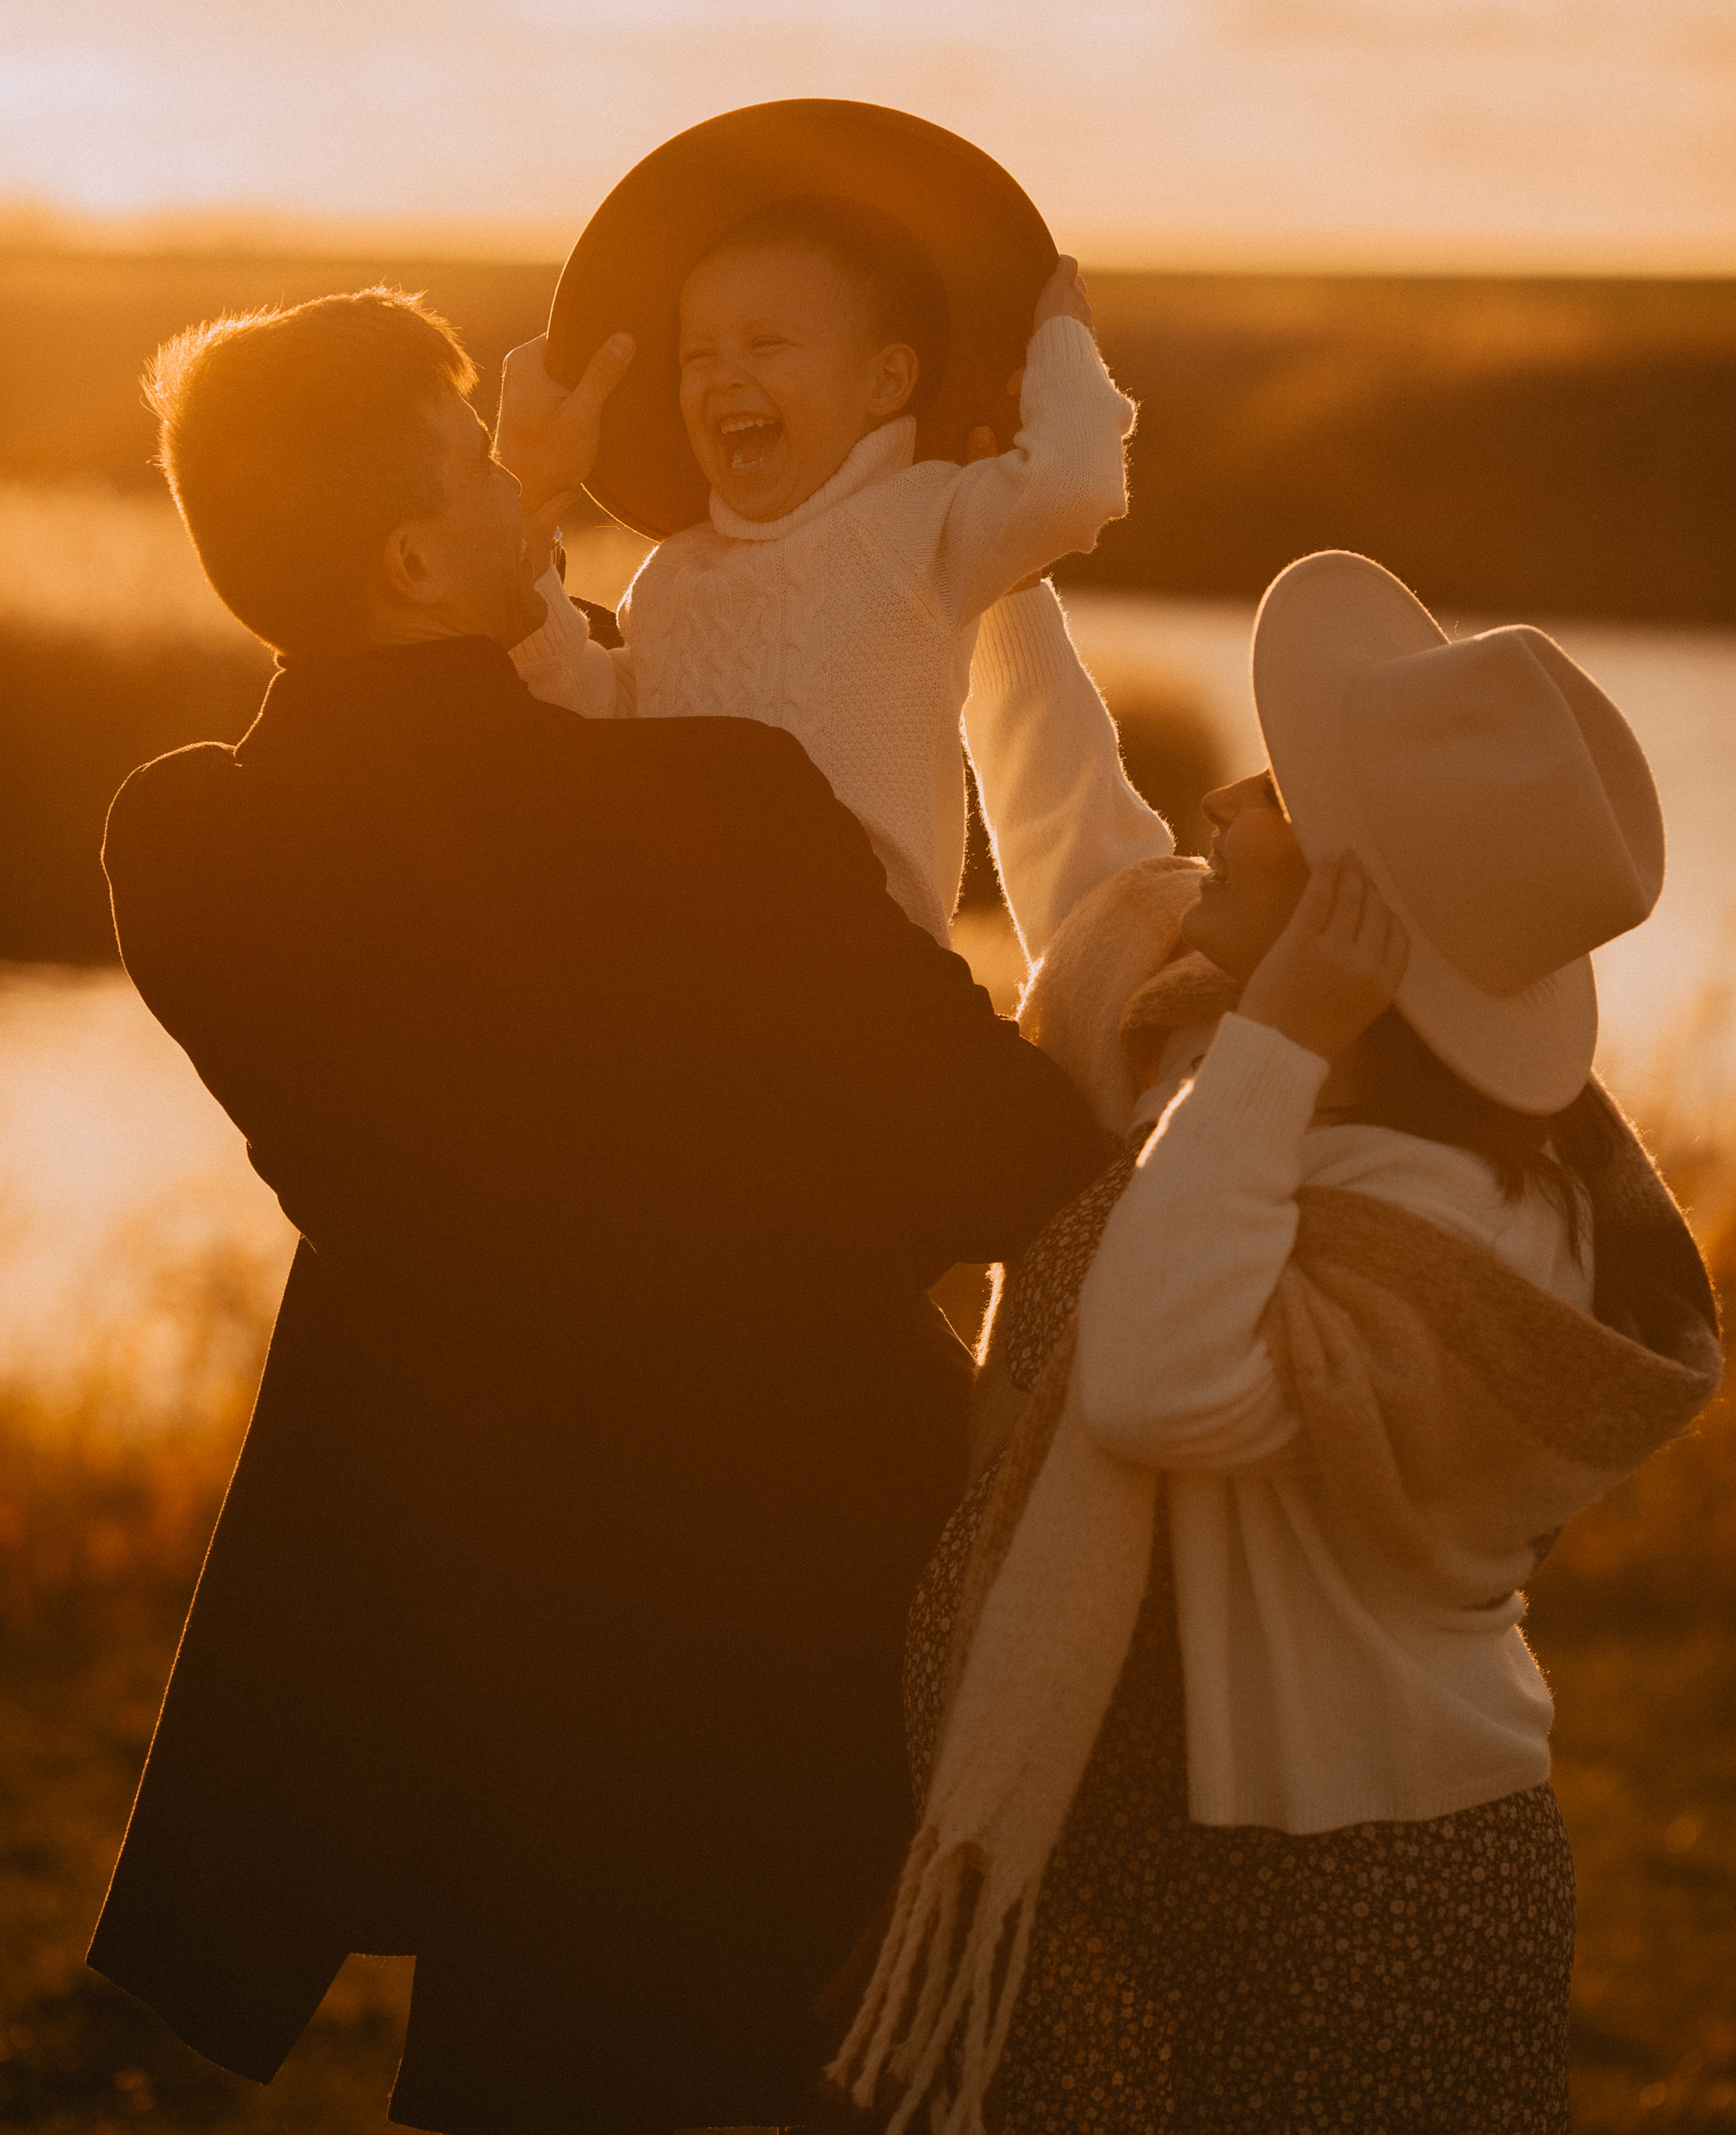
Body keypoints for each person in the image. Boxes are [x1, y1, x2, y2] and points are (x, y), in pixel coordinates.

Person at [85, 283, 1108, 2135]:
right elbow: (1010, 1156)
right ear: (411, 554)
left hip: (495, 1642)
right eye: (482, 466)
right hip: (816, 1608)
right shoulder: (718, 804)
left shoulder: (190, 848)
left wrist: (448, 546)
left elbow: (369, 747)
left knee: (529, 2075)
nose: (524, 485)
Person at [831, 551, 1724, 2135]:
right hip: (1187, 1840)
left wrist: (1276, 1039)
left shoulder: (1451, 1213)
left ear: (1361, 918)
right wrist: (982, 570)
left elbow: (1157, 1378)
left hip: (1365, 1872)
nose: (1230, 791)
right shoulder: (1240, 1068)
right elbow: (1077, 851)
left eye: (1286, 794)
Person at [502, 113, 1136, 948]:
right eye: (698, 355)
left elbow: (1074, 485)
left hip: (861, 959)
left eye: (766, 344)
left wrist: (1060, 336)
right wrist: (532, 505)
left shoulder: (922, 522)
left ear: (885, 380)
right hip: (691, 952)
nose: (725, 374)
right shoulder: (673, 574)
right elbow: (592, 713)